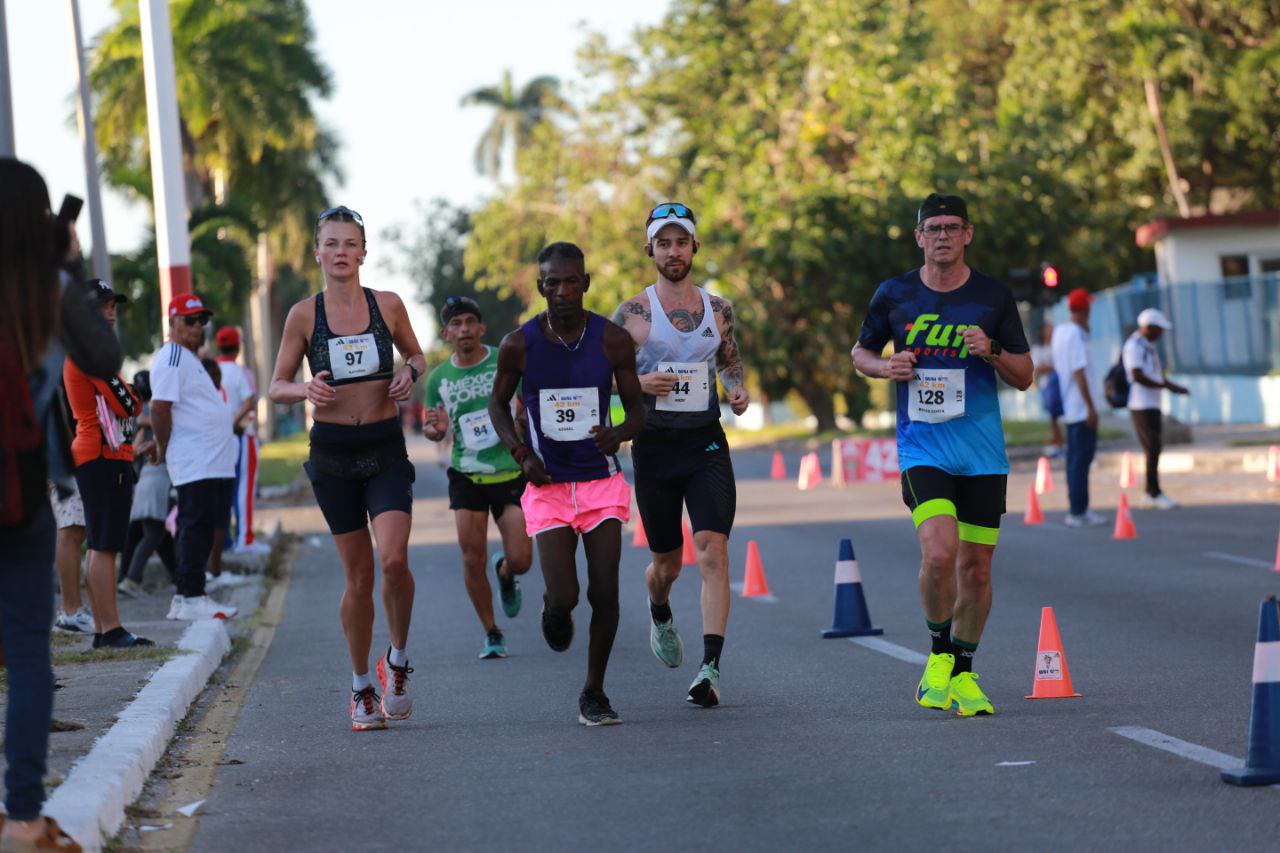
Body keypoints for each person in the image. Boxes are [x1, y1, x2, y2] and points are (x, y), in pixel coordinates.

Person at [851, 193, 1032, 717]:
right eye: (934, 228)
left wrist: (993, 351)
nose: (944, 236)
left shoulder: (993, 297)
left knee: (976, 569)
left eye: (953, 227)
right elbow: (860, 352)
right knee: (938, 553)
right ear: (919, 238)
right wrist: (886, 368)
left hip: (982, 454)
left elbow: (1024, 376)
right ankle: (938, 653)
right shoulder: (895, 294)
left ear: (968, 234)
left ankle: (964, 671)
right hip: (922, 448)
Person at [269, 205, 426, 731]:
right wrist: (303, 388)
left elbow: (419, 358)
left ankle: (397, 662)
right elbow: (276, 386)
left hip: (384, 447)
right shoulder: (303, 316)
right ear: (317, 252)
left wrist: (409, 373)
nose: (341, 253)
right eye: (331, 244)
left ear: (364, 252)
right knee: (359, 577)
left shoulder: (388, 305)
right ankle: (361, 686)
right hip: (333, 454)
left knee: (394, 561)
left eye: (350, 244)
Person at [0, 155, 111, 852]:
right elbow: (103, 353)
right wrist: (68, 267)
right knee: (27, 652)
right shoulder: (49, 285)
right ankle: (22, 817)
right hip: (18, 491)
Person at [489, 241, 645, 726]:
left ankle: (593, 692)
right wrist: (520, 452)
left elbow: (639, 409)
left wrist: (618, 434)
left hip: (600, 485)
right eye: (552, 282)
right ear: (540, 287)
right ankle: (552, 611)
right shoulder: (520, 344)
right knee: (566, 597)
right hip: (549, 486)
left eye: (571, 280)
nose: (562, 290)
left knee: (605, 591)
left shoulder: (612, 339)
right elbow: (498, 405)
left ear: (586, 283)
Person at [611, 202, 749, 709]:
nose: (674, 251)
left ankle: (709, 668)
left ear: (694, 247)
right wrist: (640, 382)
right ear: (650, 249)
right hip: (654, 448)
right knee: (666, 564)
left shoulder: (718, 309)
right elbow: (599, 373)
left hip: (706, 443)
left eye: (682, 242)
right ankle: (659, 605)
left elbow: (730, 362)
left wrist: (737, 391)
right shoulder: (632, 314)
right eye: (664, 243)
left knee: (712, 549)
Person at [423, 295, 533, 659]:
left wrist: (522, 426)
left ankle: (505, 571)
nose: (464, 329)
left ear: (482, 328)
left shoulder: (503, 362)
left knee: (522, 559)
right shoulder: (438, 379)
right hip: (466, 474)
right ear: (446, 333)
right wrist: (435, 431)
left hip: (509, 471)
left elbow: (526, 407)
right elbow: (435, 428)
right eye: (456, 324)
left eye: (470, 321)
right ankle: (491, 631)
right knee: (471, 559)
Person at [62, 279, 152, 648]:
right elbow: (127, 404)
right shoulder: (91, 353)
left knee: (100, 544)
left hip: (99, 455)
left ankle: (104, 629)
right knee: (105, 545)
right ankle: (110, 629)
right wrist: (131, 394)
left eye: (113, 304)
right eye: (103, 306)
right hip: (101, 456)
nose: (111, 311)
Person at [149, 293, 241, 623]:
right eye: (189, 320)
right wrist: (161, 446)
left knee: (206, 526)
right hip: (196, 461)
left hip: (212, 460)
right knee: (196, 527)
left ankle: (189, 595)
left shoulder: (189, 357)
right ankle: (190, 596)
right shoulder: (172, 356)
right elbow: (159, 408)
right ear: (172, 322)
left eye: (201, 320)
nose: (197, 326)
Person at [118, 370, 178, 597]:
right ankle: (130, 579)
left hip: (142, 480)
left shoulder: (135, 415)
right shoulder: (157, 414)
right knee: (152, 535)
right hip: (155, 481)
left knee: (156, 535)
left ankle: (178, 576)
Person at [1052, 288, 1107, 528]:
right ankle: (1079, 510)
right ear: (1085, 309)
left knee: (1075, 460)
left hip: (1070, 405)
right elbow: (1078, 371)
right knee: (1081, 460)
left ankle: (1076, 507)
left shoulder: (1061, 331)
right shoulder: (1075, 334)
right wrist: (1090, 407)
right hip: (1080, 406)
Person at [1123, 307, 1188, 509]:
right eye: (1158, 329)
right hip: (1140, 405)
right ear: (1148, 327)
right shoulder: (1134, 345)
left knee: (1154, 448)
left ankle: (1152, 491)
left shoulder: (1147, 345)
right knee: (1152, 447)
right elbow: (1137, 375)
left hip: (1152, 403)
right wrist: (1166, 385)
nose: (1161, 333)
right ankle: (1153, 493)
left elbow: (1155, 375)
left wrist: (1171, 386)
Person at [215, 326, 267, 553]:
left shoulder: (210, 369)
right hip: (242, 436)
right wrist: (235, 421)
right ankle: (245, 540)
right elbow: (250, 401)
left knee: (223, 490)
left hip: (217, 439)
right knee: (244, 488)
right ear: (238, 347)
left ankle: (225, 542)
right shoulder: (240, 372)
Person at [1031, 320, 1064, 457]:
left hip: (1061, 385)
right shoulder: (1038, 349)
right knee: (1053, 416)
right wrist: (1053, 367)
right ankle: (1058, 444)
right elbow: (1038, 368)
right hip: (1048, 387)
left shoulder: (1059, 347)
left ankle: (1063, 443)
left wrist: (1049, 367)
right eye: (1048, 328)